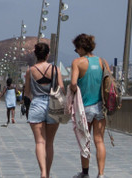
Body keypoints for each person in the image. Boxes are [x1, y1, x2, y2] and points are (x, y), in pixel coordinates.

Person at [70, 33, 109, 178]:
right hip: (100, 107)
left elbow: (73, 84)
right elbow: (108, 83)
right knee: (99, 140)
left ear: (81, 47)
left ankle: (85, 173)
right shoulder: (102, 62)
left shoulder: (78, 62)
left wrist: (75, 91)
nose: (76, 51)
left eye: (76, 49)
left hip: (84, 108)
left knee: (84, 141)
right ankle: (101, 174)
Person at [24, 42, 64, 178]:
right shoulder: (55, 69)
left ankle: (42, 172)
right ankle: (48, 172)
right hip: (53, 105)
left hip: (36, 105)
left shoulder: (30, 71)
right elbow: (62, 89)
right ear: (48, 55)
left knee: (40, 141)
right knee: (50, 142)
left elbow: (27, 93)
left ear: (35, 55)